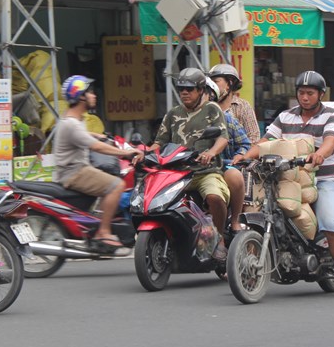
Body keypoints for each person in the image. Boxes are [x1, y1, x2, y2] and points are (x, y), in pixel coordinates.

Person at [233, 71, 334, 298]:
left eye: (310, 93)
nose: (305, 97)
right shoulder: (285, 117)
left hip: (324, 179)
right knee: (260, 209)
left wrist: (319, 154)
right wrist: (245, 156)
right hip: (288, 178)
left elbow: (331, 140)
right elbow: (265, 142)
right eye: (301, 93)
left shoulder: (331, 116)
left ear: (321, 94)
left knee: (331, 223)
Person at [142, 68, 231, 261]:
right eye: (181, 88)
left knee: (215, 197)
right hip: (176, 174)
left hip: (206, 172)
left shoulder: (212, 109)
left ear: (200, 90)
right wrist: (142, 154)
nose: (184, 92)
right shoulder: (173, 114)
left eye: (189, 89)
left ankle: (219, 238)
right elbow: (159, 142)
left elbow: (223, 138)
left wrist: (211, 153)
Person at [54, 75, 143, 251]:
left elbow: (84, 137)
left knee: (107, 178)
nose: (94, 96)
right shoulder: (72, 124)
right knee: (117, 185)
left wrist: (98, 135)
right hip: (74, 172)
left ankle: (97, 223)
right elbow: (96, 147)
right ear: (80, 97)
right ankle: (103, 231)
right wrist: (125, 152)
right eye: (90, 93)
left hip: (74, 169)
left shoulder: (73, 119)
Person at [204, 77, 250, 232]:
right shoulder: (180, 119)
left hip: (221, 167)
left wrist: (239, 156)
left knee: (233, 177)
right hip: (190, 170)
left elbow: (245, 144)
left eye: (205, 94)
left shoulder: (227, 119)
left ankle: (234, 221)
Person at [208, 63, 260, 143]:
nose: (212, 86)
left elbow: (254, 137)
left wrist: (241, 154)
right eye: (210, 82)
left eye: (216, 81)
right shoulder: (206, 106)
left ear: (229, 83)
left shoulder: (243, 106)